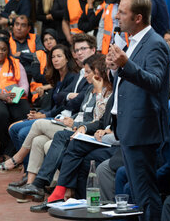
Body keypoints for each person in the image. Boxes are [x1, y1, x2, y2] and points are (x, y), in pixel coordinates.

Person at [7, 54, 112, 204]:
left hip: (90, 132)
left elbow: (100, 120)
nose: (85, 75)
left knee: (40, 125)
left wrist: (78, 124)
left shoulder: (108, 92)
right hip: (79, 126)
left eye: (89, 72)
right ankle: (34, 188)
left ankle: (23, 166)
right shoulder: (90, 90)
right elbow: (70, 104)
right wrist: (74, 120)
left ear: (99, 73)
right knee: (39, 141)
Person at [106, 0, 170, 220]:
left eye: (122, 13)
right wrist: (115, 68)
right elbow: (127, 81)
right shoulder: (131, 42)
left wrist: (125, 64)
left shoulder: (155, 44)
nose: (116, 17)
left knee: (146, 194)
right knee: (137, 192)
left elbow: (154, 82)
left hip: (144, 132)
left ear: (138, 17)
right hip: (129, 128)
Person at [0, 44, 78, 173]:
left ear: (67, 58)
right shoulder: (56, 77)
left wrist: (44, 116)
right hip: (50, 114)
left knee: (22, 132)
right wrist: (40, 113)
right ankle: (27, 167)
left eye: (59, 56)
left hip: (60, 117)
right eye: (53, 57)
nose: (55, 59)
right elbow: (52, 104)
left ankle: (27, 170)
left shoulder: (72, 77)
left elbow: (63, 106)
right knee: (13, 128)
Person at [30, 29, 58, 107]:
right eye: (45, 40)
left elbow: (65, 78)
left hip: (54, 87)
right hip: (39, 91)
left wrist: (49, 85)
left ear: (56, 39)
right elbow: (37, 76)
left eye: (51, 38)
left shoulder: (63, 53)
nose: (48, 42)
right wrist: (55, 81)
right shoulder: (38, 54)